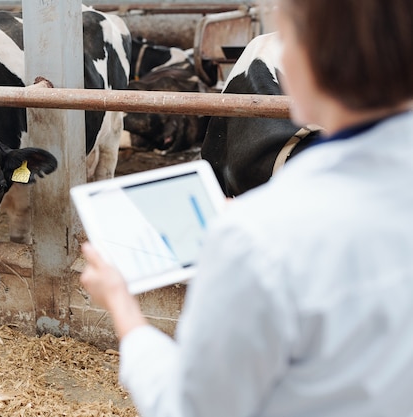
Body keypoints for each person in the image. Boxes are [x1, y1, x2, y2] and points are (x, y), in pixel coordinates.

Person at [79, 0, 413, 416]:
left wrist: (122, 306)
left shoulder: (257, 240)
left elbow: (191, 408)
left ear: (309, 58)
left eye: (287, 38)